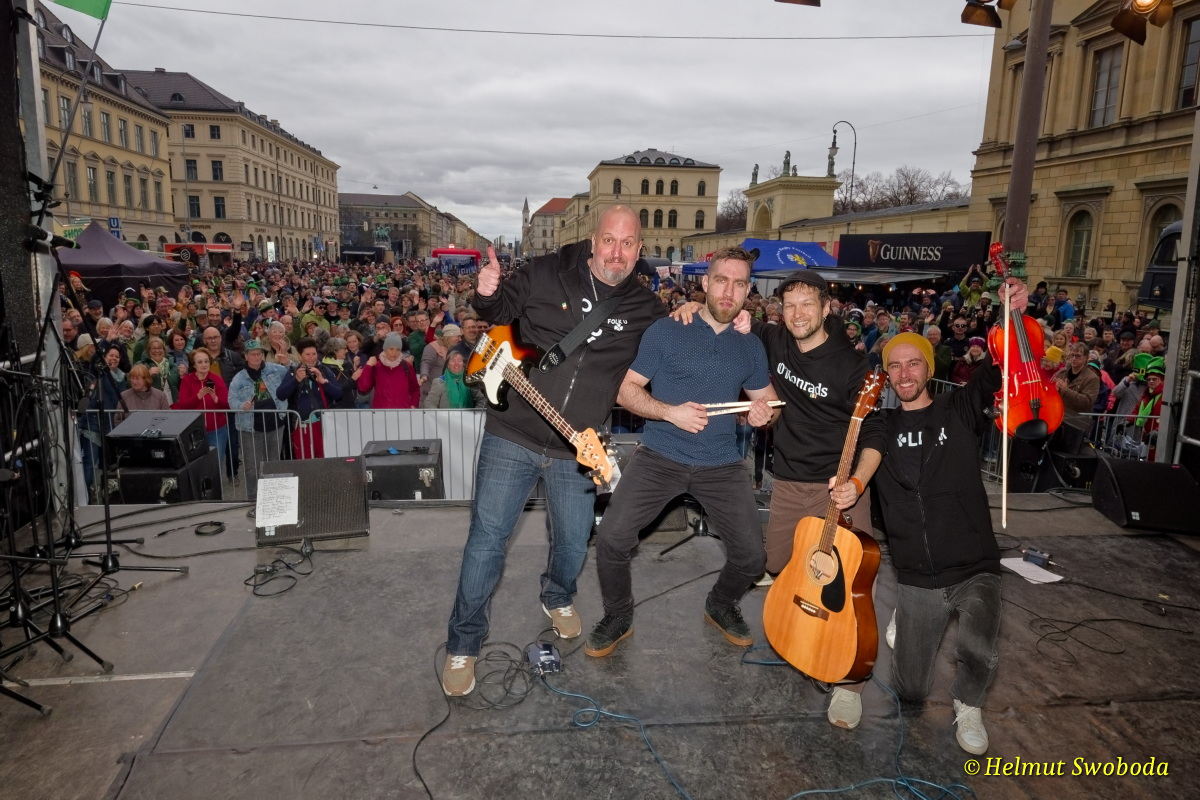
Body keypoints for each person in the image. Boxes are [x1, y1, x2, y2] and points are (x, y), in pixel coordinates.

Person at [442, 205, 665, 697]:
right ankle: (463, 643)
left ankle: (558, 595)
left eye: (628, 243)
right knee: (486, 542)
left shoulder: (646, 309)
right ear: (593, 241)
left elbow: (674, 352)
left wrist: (701, 316)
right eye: (610, 240)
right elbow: (498, 311)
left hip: (577, 449)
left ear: (639, 250)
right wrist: (487, 292)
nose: (617, 252)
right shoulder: (547, 271)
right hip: (512, 435)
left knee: (572, 542)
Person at [832, 277, 1028, 756]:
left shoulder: (959, 407)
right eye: (895, 366)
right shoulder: (881, 424)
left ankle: (968, 704)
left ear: (929, 366)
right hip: (917, 574)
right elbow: (866, 455)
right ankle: (906, 620)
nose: (904, 374)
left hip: (974, 562)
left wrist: (1016, 317)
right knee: (911, 690)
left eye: (913, 363)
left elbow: (1004, 365)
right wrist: (853, 483)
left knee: (979, 646)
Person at [584, 248, 779, 658]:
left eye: (739, 284)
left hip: (721, 464)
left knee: (751, 558)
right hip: (660, 456)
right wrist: (670, 412)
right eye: (721, 280)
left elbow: (769, 403)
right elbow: (626, 390)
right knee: (612, 539)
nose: (729, 292)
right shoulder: (668, 330)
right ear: (705, 283)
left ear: (748, 291)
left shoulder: (750, 345)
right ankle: (618, 614)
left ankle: (720, 604)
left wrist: (764, 413)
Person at [743, 270, 879, 729]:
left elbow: (875, 432)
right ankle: (806, 638)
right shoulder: (775, 339)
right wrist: (690, 309)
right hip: (788, 481)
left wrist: (857, 482)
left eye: (807, 304)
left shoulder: (853, 366)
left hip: (837, 487)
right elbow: (732, 320)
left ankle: (851, 684)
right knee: (778, 565)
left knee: (851, 584)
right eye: (790, 305)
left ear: (826, 308)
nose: (798, 314)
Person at [228, 339, 289, 508]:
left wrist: (288, 362)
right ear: (246, 356)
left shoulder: (275, 369)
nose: (257, 357)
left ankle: (274, 498)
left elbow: (292, 374)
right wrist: (241, 406)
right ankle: (253, 501)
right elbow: (231, 401)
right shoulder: (238, 379)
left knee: (273, 463)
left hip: (275, 424)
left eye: (259, 354)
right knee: (252, 467)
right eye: (253, 354)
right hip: (250, 428)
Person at [276, 337, 343, 459]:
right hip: (302, 426)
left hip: (323, 425)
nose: (311, 358)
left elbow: (339, 394)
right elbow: (280, 395)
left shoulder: (324, 370)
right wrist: (296, 380)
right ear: (300, 356)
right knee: (304, 463)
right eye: (307, 354)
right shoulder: (293, 371)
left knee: (325, 460)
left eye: (314, 354)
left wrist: (324, 382)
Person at [173, 348, 231, 469]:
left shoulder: (216, 379)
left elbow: (227, 405)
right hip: (194, 431)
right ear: (194, 365)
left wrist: (216, 399)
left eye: (206, 361)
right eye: (200, 362)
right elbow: (183, 406)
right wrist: (198, 397)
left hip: (217, 430)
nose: (204, 364)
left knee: (215, 464)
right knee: (197, 466)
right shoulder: (187, 380)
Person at [356, 332, 421, 409]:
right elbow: (363, 388)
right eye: (391, 349)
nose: (394, 353)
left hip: (403, 412)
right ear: (385, 349)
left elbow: (415, 389)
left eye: (398, 349)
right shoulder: (376, 366)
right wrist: (368, 366)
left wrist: (413, 404)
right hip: (381, 413)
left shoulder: (406, 366)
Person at [419, 324, 463, 403]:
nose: (460, 339)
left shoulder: (455, 349)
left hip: (449, 394)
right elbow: (426, 363)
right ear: (449, 336)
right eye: (458, 336)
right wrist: (424, 375)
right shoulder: (432, 347)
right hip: (431, 393)